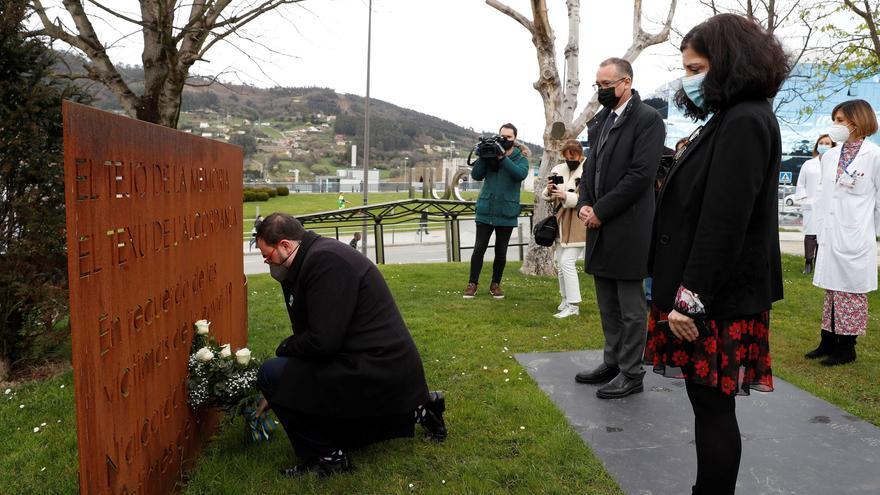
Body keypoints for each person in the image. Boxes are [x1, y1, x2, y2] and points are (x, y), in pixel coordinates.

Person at [645, 14, 788, 494]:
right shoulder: (728, 117)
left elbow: (725, 221)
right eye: (686, 69)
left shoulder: (745, 120)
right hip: (707, 292)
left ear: (729, 61)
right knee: (706, 405)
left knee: (712, 408)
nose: (690, 78)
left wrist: (691, 299)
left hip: (713, 298)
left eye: (697, 67)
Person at [254, 213, 447, 477]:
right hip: (368, 359)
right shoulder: (309, 260)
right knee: (287, 377)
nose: (267, 262)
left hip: (378, 366)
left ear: (286, 245)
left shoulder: (324, 262)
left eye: (268, 255)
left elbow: (322, 342)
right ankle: (418, 410)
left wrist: (283, 355)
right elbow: (312, 334)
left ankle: (330, 458)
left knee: (271, 373)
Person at [573, 57, 665, 399]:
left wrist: (601, 210)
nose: (601, 91)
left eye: (606, 85)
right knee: (607, 303)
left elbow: (641, 175)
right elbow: (591, 166)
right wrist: (585, 203)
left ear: (625, 82)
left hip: (628, 226)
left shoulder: (648, 120)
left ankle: (631, 372)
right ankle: (612, 362)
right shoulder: (601, 120)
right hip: (599, 225)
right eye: (597, 85)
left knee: (630, 307)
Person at [809, 99, 880, 366]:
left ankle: (847, 348)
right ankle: (827, 341)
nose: (835, 126)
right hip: (831, 233)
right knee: (832, 291)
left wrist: (870, 232)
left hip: (856, 235)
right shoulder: (830, 157)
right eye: (835, 120)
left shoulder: (874, 156)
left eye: (840, 120)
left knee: (850, 293)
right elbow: (824, 196)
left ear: (857, 120)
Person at [463, 123, 530, 299]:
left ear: (515, 139)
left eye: (509, 137)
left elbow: (519, 175)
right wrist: (484, 156)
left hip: (506, 211)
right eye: (502, 136)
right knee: (479, 248)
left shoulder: (520, 158)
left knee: (501, 251)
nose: (505, 139)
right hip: (486, 210)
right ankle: (472, 283)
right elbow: (476, 175)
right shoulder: (489, 152)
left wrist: (502, 157)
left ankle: (495, 284)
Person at [540, 139, 587, 318]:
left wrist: (566, 195)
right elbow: (547, 196)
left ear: (580, 154)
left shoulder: (588, 170)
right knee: (560, 263)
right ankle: (566, 299)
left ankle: (574, 305)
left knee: (567, 262)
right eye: (566, 157)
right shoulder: (558, 169)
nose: (569, 160)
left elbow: (587, 197)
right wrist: (550, 191)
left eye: (573, 156)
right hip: (559, 222)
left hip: (578, 222)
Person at [795, 134, 835, 274]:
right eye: (821, 143)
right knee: (810, 235)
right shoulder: (808, 164)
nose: (824, 146)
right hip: (811, 206)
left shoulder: (835, 165)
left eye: (827, 143)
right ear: (817, 146)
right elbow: (800, 184)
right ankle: (808, 263)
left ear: (832, 146)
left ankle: (820, 263)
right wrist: (805, 199)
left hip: (827, 206)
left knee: (823, 235)